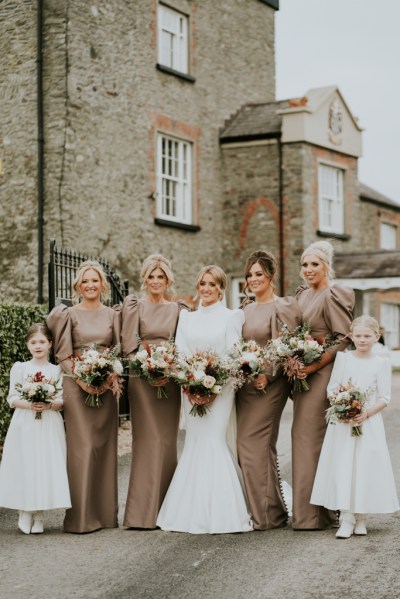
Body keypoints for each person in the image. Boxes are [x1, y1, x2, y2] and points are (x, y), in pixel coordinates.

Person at [157, 265, 252, 534]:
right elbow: (179, 352)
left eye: (212, 284)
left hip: (221, 391)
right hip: (190, 387)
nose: (206, 289)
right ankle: (188, 511)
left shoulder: (232, 316)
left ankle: (224, 512)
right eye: (202, 284)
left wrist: (213, 383)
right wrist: (191, 381)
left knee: (213, 440)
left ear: (221, 288)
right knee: (195, 443)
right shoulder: (187, 318)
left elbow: (235, 356)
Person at [47, 260, 121, 533]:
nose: (90, 285)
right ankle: (80, 518)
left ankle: (104, 515)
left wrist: (106, 377)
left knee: (104, 446)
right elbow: (63, 354)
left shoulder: (113, 315)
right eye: (85, 281)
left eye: (95, 280)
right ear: (78, 286)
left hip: (105, 385)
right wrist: (82, 379)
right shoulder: (69, 315)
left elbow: (117, 350)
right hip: (76, 386)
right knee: (82, 447)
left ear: (102, 284)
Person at [311, 315, 399, 538]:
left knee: (364, 466)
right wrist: (344, 406)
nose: (362, 340)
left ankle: (361, 517)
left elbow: (385, 397)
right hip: (342, 422)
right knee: (344, 465)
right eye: (358, 336)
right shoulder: (344, 358)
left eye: (367, 336)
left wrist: (365, 414)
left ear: (376, 337)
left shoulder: (381, 363)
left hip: (368, 423)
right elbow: (332, 389)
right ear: (351, 337)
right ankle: (347, 517)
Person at [236, 250, 301, 529]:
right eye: (250, 275)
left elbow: (284, 346)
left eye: (259, 274)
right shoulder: (245, 309)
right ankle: (271, 509)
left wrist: (267, 375)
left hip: (270, 385)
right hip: (245, 386)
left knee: (253, 444)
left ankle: (266, 515)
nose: (253, 279)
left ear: (271, 276)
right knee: (253, 447)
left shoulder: (282, 306)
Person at [121, 254, 188, 529]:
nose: (156, 281)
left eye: (160, 277)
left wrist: (168, 369)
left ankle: (167, 510)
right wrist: (148, 366)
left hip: (169, 380)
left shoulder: (178, 310)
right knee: (146, 441)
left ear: (168, 280)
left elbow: (183, 345)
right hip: (142, 380)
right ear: (145, 279)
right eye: (151, 276)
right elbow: (128, 346)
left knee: (167, 442)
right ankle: (141, 514)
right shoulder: (135, 307)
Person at [291, 241, 354, 530]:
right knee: (302, 438)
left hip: (324, 374)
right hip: (302, 375)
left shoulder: (333, 294)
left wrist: (314, 364)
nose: (308, 270)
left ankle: (318, 515)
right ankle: (308, 511)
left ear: (326, 266)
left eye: (314, 264)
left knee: (311, 439)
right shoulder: (302, 296)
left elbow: (343, 337)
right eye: (305, 264)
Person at [0, 324, 71, 534]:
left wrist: (48, 405)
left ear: (50, 344)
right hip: (25, 423)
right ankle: (25, 510)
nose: (37, 346)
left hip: (49, 422)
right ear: (27, 345)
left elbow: (61, 400)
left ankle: (40, 514)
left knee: (45, 465)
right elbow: (12, 398)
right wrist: (30, 404)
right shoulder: (20, 368)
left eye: (42, 342)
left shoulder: (56, 370)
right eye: (33, 342)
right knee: (27, 464)